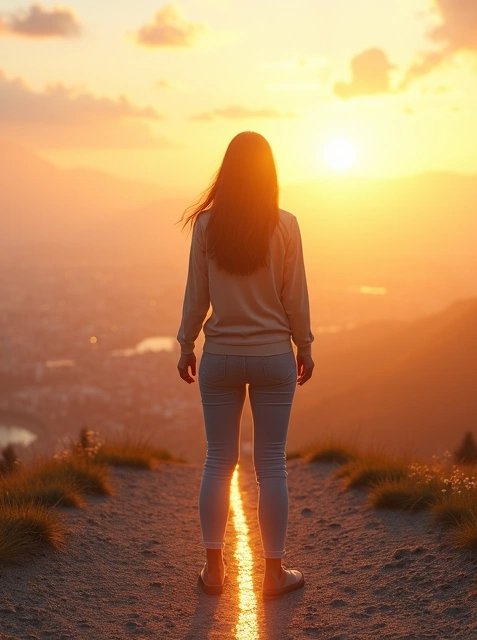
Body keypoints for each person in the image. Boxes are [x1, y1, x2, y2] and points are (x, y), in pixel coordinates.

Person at [176, 131, 314, 600]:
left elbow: (196, 295)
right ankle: (273, 575)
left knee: (219, 461)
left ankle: (214, 572)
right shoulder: (286, 225)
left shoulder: (206, 226)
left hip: (220, 357)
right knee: (271, 464)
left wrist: (186, 344)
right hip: (274, 356)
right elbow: (295, 296)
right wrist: (304, 345)